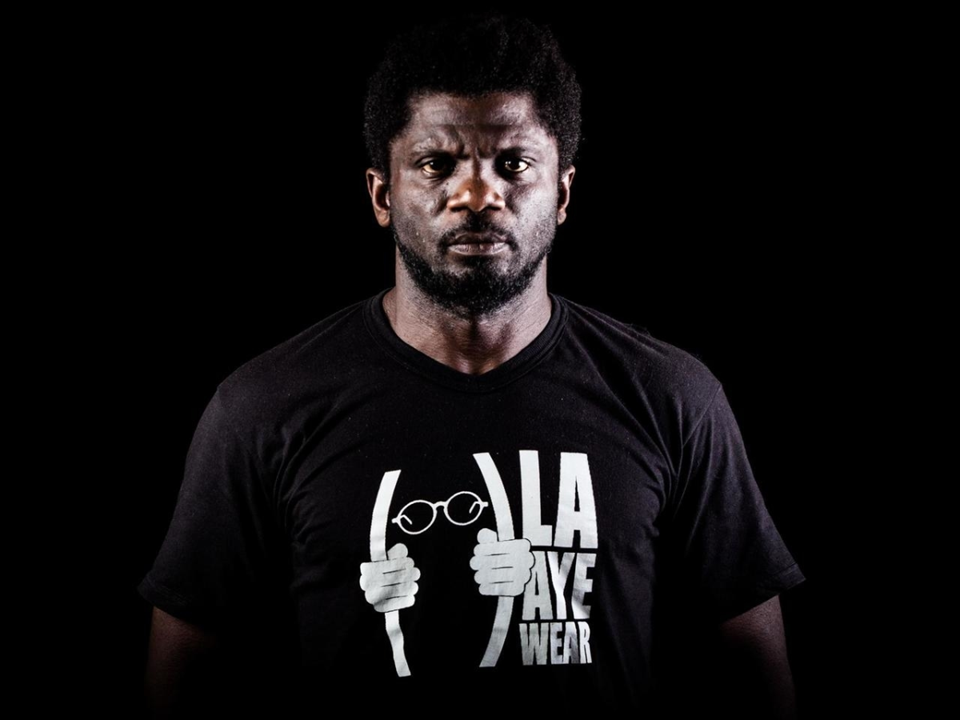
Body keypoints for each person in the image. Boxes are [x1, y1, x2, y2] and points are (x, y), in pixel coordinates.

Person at [139, 14, 805, 717]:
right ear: (382, 195)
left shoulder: (671, 397)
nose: (478, 196)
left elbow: (755, 681)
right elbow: (182, 683)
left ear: (563, 193)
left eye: (513, 164)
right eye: (437, 164)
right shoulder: (264, 406)